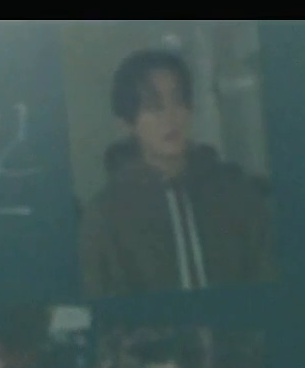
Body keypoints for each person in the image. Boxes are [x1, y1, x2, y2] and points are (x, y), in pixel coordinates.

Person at [78, 48, 278, 298]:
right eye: (154, 106)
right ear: (128, 123)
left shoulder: (236, 195)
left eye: (179, 100)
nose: (171, 116)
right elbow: (101, 301)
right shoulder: (106, 215)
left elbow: (268, 282)